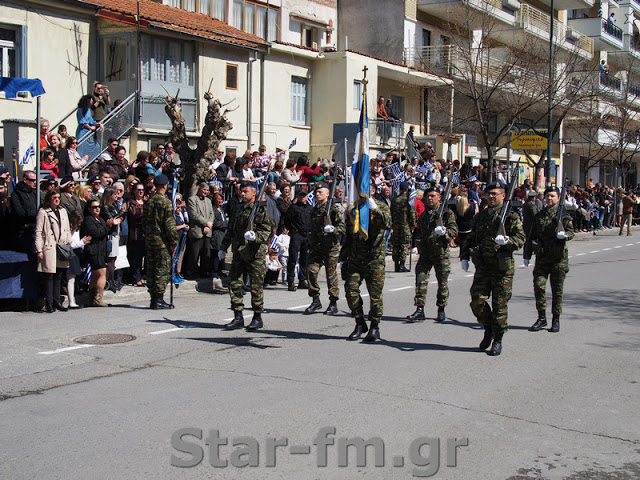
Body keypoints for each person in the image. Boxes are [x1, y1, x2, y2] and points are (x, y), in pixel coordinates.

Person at [460, 180, 526, 356]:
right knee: (477, 301)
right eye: (488, 194)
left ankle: (498, 338)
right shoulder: (481, 217)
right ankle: (488, 327)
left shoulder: (511, 217)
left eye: (494, 194)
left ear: (503, 196)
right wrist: (464, 256)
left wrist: (507, 241)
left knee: (500, 306)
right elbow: (471, 238)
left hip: (502, 269)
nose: (491, 197)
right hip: (483, 266)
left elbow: (520, 238)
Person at [341, 185, 391, 342]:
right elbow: (348, 236)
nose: (361, 191)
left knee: (375, 295)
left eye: (366, 188)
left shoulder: (380, 206)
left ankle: (374, 326)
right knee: (350, 290)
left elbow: (387, 223)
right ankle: (359, 322)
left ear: (373, 191)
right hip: (356, 259)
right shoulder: (353, 210)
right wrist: (343, 258)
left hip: (374, 259)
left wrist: (374, 209)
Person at [218, 181, 271, 330]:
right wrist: (223, 248)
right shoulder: (238, 209)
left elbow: (267, 230)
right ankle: (238, 316)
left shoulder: (261, 210)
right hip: (239, 252)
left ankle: (257, 317)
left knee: (256, 286)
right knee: (234, 283)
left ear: (254, 193)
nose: (242, 193)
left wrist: (256, 236)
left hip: (255, 254)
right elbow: (230, 231)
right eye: (241, 191)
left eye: (245, 191)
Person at [524, 187, 575, 333]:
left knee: (557, 290)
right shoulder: (540, 215)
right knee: (539, 286)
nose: (549, 199)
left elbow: (572, 232)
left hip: (558, 259)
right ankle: (541, 317)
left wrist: (565, 235)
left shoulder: (563, 215)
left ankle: (556, 319)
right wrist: (527, 255)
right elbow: (532, 235)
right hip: (542, 258)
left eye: (552, 196)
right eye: (547, 196)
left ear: (558, 198)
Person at [406, 187, 458, 323]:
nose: (430, 198)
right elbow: (420, 232)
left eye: (433, 196)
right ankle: (419, 309)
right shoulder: (424, 214)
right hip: (426, 254)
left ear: (439, 197)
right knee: (420, 281)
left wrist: (444, 233)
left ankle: (441, 309)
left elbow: (453, 231)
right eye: (428, 196)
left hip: (440, 254)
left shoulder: (446, 213)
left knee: (442, 283)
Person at [304, 183, 346, 316]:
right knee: (310, 270)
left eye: (320, 192)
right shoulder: (314, 209)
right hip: (316, 246)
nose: (317, 194)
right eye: (316, 192)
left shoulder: (333, 209)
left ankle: (333, 302)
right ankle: (315, 299)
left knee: (331, 274)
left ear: (328, 194)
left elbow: (343, 228)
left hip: (330, 247)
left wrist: (333, 229)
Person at [143, 174, 178, 309]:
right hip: (162, 241)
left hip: (150, 240)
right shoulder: (166, 202)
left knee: (151, 268)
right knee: (162, 269)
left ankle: (153, 298)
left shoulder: (149, 201)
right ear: (165, 185)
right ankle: (158, 299)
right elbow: (169, 225)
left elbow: (145, 222)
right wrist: (174, 242)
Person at [35, 189, 72, 313]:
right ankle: (49, 303)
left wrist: (68, 242)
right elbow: (39, 232)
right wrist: (39, 249)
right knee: (49, 275)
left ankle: (57, 302)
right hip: (49, 246)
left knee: (59, 275)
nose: (57, 200)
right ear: (49, 199)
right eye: (54, 198)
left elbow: (67, 228)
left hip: (62, 246)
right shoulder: (43, 212)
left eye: (58, 198)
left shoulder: (63, 211)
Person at [81, 198, 110, 307]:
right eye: (94, 207)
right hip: (94, 250)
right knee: (102, 273)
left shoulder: (100, 219)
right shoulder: (88, 220)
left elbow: (106, 231)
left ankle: (92, 297)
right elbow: (96, 233)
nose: (97, 209)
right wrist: (107, 227)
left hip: (101, 249)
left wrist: (112, 224)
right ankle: (98, 298)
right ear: (89, 209)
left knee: (95, 274)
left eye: (99, 207)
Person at [284, 189, 312, 291]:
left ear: (307, 196)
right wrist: (291, 230)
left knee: (304, 259)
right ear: (297, 196)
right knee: (292, 258)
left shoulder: (310, 208)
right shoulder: (293, 208)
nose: (302, 197)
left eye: (304, 195)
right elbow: (287, 220)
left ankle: (302, 280)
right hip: (296, 235)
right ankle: (290, 282)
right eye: (300, 195)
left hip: (307, 236)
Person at [186, 182, 215, 278]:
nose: (206, 192)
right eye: (204, 190)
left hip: (207, 231)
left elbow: (212, 214)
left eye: (207, 190)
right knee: (194, 253)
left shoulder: (208, 201)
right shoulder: (192, 199)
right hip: (197, 230)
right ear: (199, 189)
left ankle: (204, 272)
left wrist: (209, 224)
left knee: (206, 252)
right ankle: (192, 272)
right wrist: (206, 223)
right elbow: (194, 215)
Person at [391, 181, 417, 272]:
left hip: (396, 225)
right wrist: (413, 225)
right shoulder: (408, 200)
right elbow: (412, 213)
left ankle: (396, 264)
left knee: (396, 244)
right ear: (406, 189)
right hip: (405, 225)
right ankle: (402, 264)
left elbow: (391, 213)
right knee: (404, 244)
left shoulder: (394, 200)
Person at [10, 170, 38, 252]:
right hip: (23, 231)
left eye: (35, 180)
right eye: (32, 180)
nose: (34, 182)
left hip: (34, 229)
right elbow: (20, 212)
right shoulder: (16, 194)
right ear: (25, 180)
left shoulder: (35, 193)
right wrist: (35, 212)